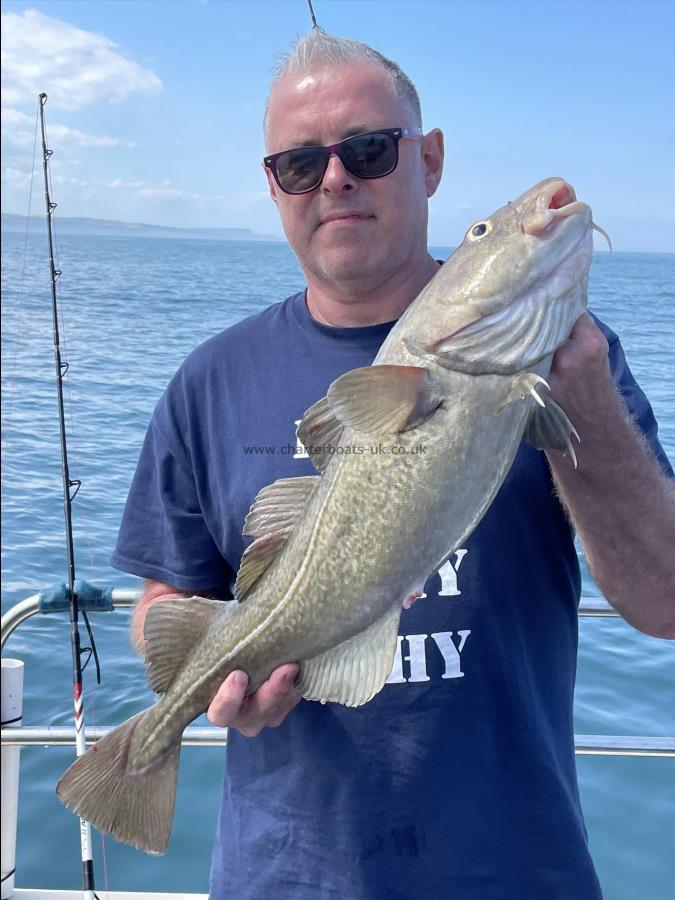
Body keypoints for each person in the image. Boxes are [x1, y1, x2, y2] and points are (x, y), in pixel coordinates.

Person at [111, 29, 675, 900]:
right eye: (300, 164)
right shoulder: (208, 381)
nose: (334, 178)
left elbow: (666, 602)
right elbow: (162, 601)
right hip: (283, 877)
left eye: (368, 150)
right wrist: (210, 672)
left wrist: (586, 399)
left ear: (430, 161)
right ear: (274, 188)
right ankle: (138, 756)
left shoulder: (575, 367)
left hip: (516, 873)